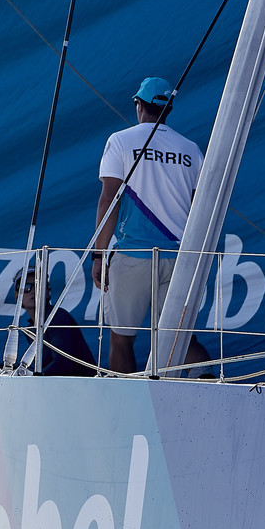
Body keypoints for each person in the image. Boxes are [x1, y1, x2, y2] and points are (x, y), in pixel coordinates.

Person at [91, 77, 210, 374]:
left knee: (121, 340)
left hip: (133, 255)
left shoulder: (120, 141)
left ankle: (128, 405)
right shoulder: (191, 150)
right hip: (180, 259)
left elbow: (109, 200)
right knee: (179, 339)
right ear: (168, 109)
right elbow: (200, 211)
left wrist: (98, 254)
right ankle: (209, 381)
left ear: (138, 104)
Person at [16, 267, 95, 376]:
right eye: (26, 287)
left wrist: (32, 377)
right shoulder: (31, 328)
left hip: (81, 388)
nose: (33, 291)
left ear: (48, 291)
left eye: (38, 286)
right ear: (17, 296)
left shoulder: (58, 318)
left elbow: (63, 363)